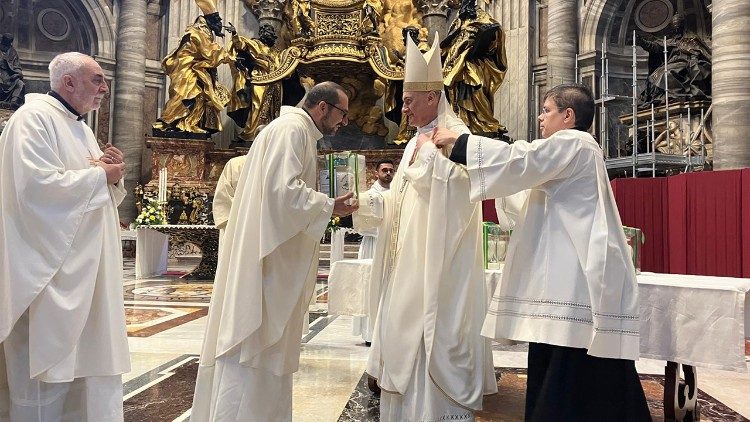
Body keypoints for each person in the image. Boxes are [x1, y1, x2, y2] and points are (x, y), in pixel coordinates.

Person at [431, 84, 650, 421]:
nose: (540, 117)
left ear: (568, 116)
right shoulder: (577, 151)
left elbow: (521, 159)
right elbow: (528, 184)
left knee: (567, 354)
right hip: (574, 270)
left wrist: (460, 143)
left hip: (573, 274)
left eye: (546, 110)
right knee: (573, 357)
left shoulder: (573, 142)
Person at [190, 81, 358, 421]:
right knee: (259, 341)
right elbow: (283, 193)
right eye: (342, 114)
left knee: (265, 346)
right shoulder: (292, 130)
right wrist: (329, 205)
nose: (344, 122)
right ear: (322, 107)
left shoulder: (292, 130)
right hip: (270, 260)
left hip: (273, 251)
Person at [355, 35, 496, 421]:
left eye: (408, 100)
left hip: (436, 255)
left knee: (429, 324)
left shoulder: (454, 135)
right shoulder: (413, 141)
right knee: (402, 322)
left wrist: (433, 164)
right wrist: (365, 202)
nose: (402, 106)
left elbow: (460, 193)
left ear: (432, 97)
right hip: (406, 257)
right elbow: (397, 197)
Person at [0, 52, 129, 421]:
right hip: (51, 277)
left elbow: (90, 192)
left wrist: (111, 176)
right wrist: (98, 176)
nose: (104, 88)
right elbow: (34, 190)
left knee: (86, 371)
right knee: (45, 377)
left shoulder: (81, 128)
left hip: (87, 275)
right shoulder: (33, 120)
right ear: (68, 81)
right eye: (97, 80)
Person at [153, 0, 231, 135]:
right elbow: (209, 52)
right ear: (210, 19)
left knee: (199, 96)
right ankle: (168, 121)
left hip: (193, 69)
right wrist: (230, 56)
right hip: (185, 70)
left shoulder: (205, 32)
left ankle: (189, 123)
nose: (220, 23)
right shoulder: (197, 33)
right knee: (186, 96)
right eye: (217, 20)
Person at [441, 0, 506, 135]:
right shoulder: (457, 21)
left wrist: (481, 38)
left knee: (476, 88)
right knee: (457, 95)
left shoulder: (482, 17)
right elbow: (448, 43)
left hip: (473, 62)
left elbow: (495, 32)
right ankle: (462, 123)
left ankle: (482, 123)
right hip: (455, 63)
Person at [351, 159, 394, 345]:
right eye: (384, 170)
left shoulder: (397, 195)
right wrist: (383, 229)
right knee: (370, 286)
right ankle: (370, 334)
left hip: (391, 245)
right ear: (376, 173)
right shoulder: (367, 196)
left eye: (391, 170)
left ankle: (388, 331)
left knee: (389, 288)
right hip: (372, 246)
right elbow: (361, 225)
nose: (388, 173)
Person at [0, 33, 26, 108]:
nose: (6, 47)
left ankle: (13, 103)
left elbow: (17, 66)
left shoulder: (12, 52)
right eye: (4, 45)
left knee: (20, 84)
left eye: (7, 45)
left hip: (9, 76)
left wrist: (17, 74)